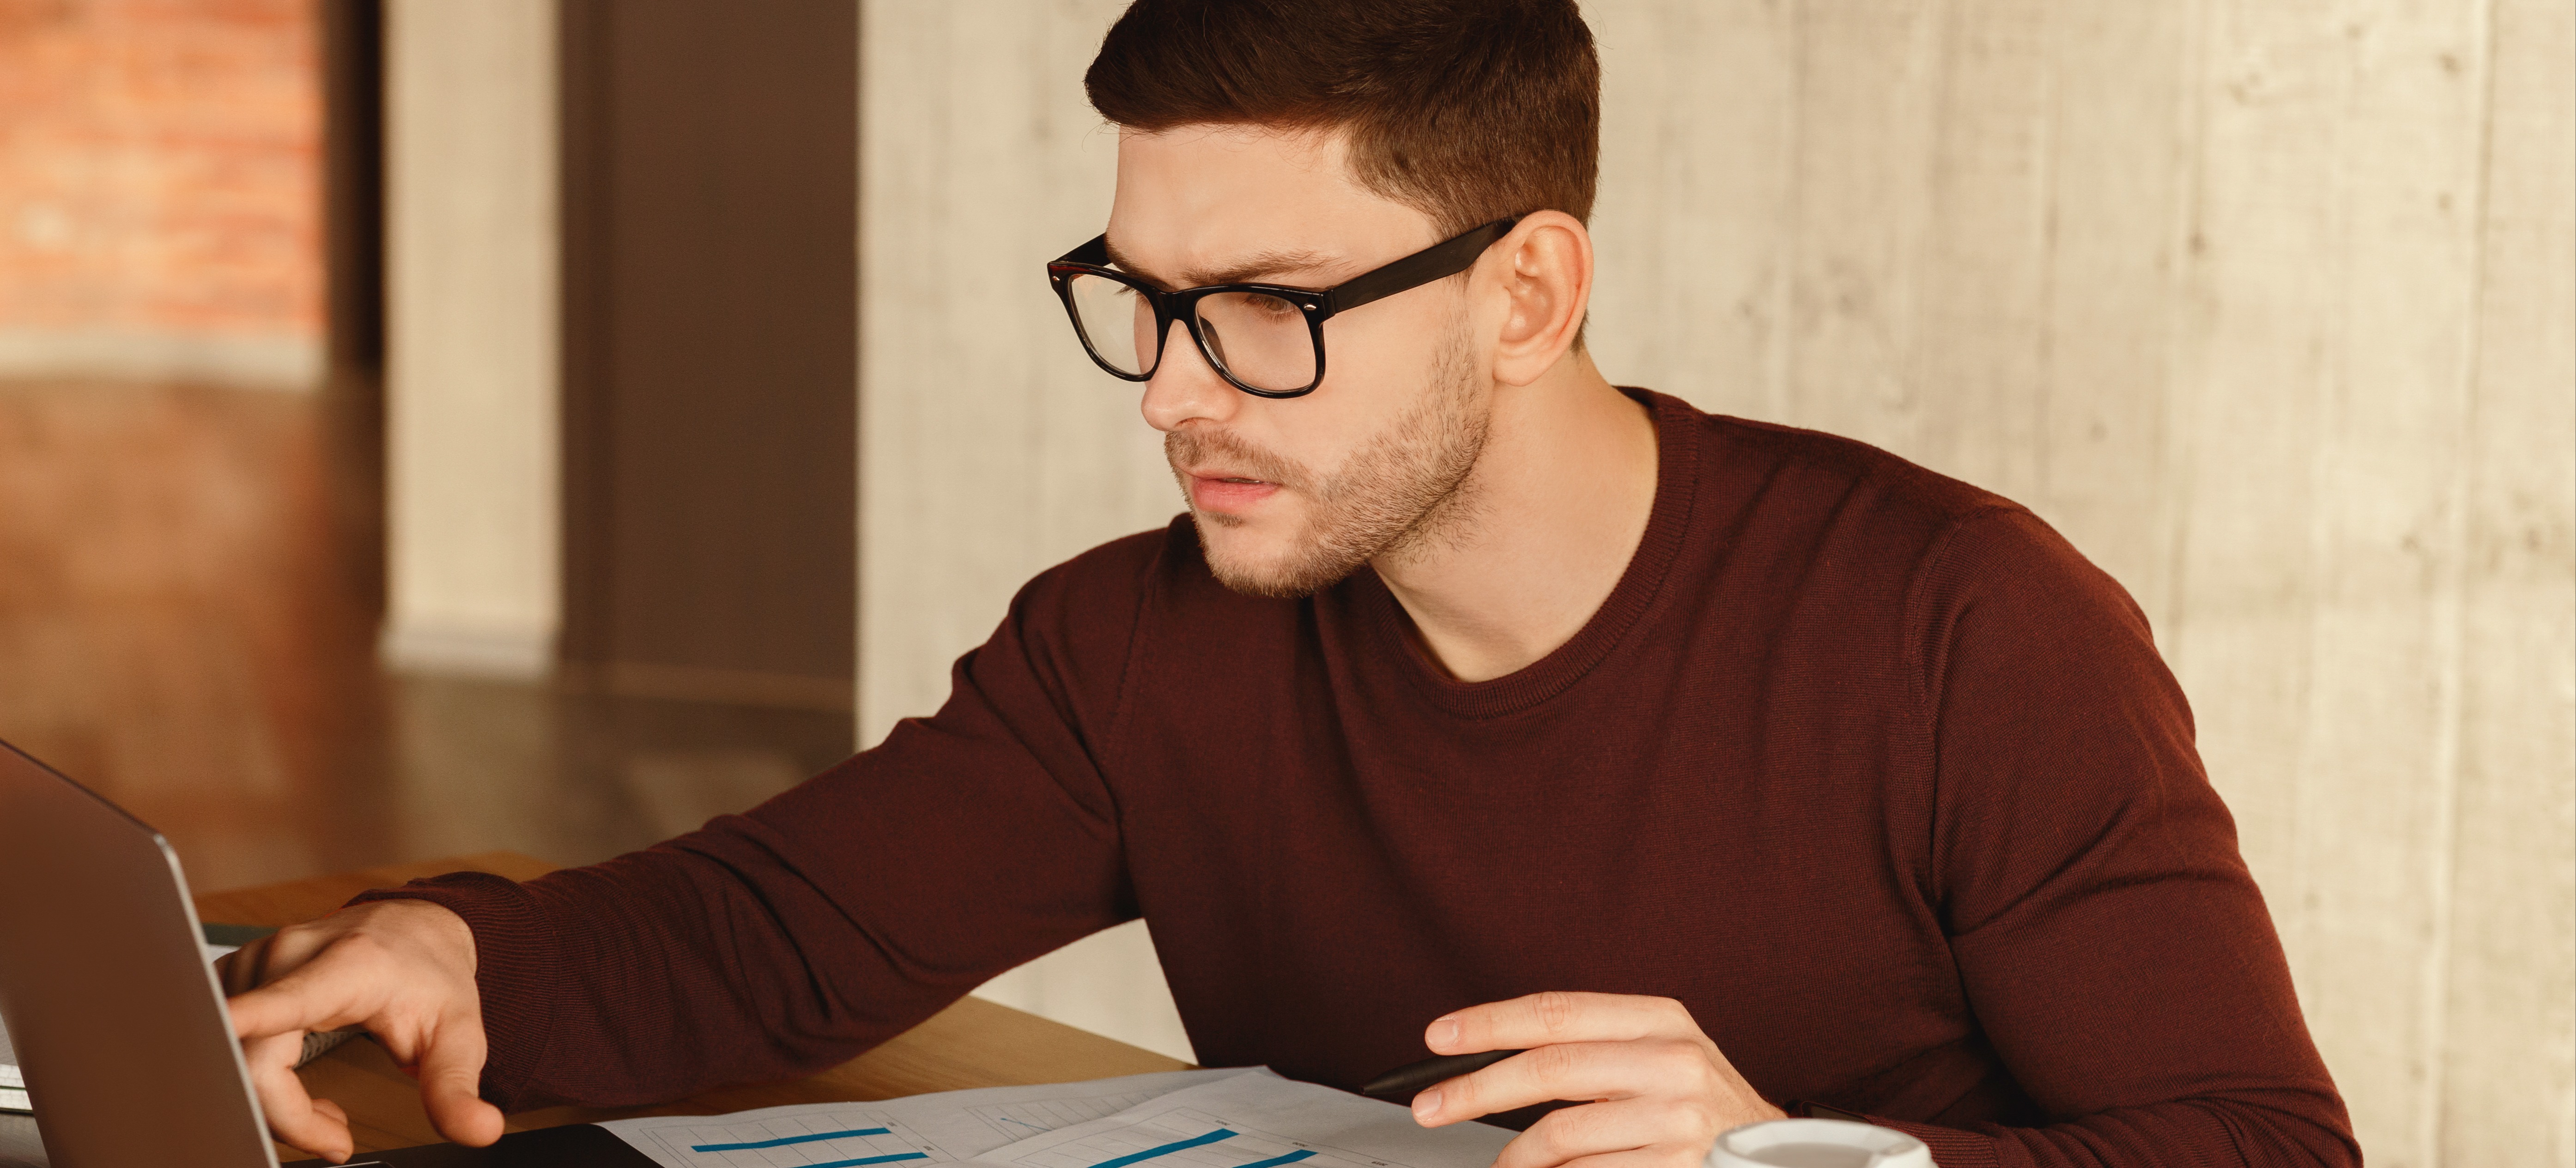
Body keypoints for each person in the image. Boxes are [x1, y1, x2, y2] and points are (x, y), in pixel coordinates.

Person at [223, 2, 2359, 1166]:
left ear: (1527, 289)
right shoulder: (1145, 640)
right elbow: (785, 929)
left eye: (1265, 307)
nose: (1170, 391)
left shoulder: (1961, 624)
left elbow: (2266, 1144)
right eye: (1140, 298)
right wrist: (458, 953)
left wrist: (1797, 1165)